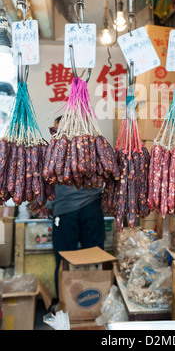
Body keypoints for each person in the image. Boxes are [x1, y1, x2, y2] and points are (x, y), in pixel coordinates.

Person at [51, 116, 105, 301]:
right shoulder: (91, 145)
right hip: (91, 208)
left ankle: (67, 305)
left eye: (56, 128)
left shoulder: (56, 147)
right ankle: (93, 303)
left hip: (66, 212)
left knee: (64, 260)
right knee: (94, 257)